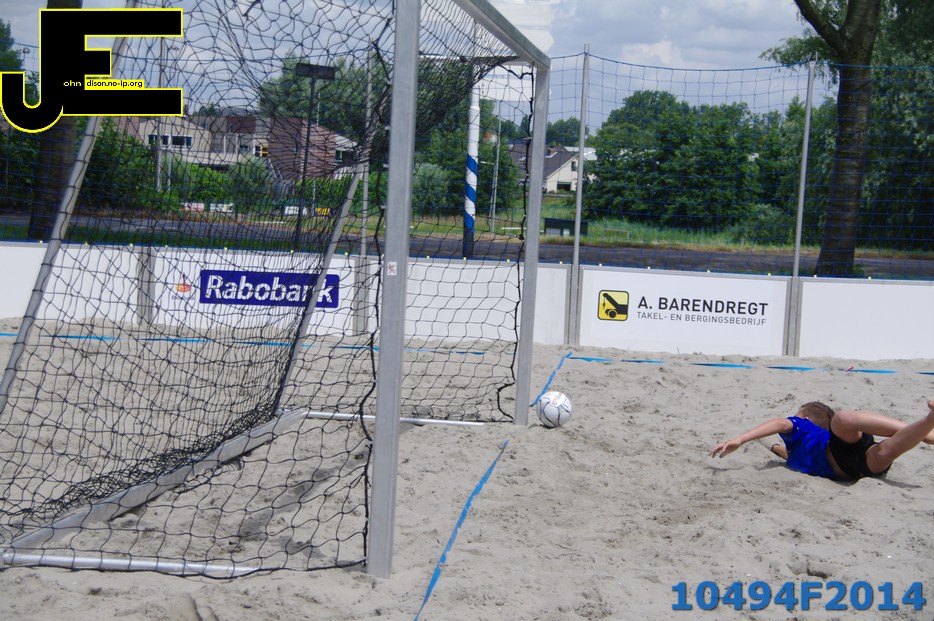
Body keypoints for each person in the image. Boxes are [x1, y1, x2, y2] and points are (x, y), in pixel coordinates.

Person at [709, 400, 934, 481]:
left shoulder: (803, 427)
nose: (792, 419)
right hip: (855, 468)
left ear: (805, 419)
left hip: (839, 450)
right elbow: (782, 452)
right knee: (886, 451)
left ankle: (927, 435)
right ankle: (928, 422)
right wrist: (771, 446)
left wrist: (741, 439)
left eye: (796, 415)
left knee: (844, 418)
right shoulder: (796, 453)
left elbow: (780, 423)